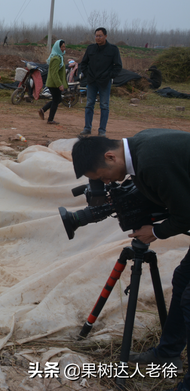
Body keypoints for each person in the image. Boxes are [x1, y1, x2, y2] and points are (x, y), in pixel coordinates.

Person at [71, 129, 190, 391]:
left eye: (103, 177)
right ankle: (168, 353)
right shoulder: (141, 145)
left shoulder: (151, 162)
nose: (106, 182)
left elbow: (185, 214)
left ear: (110, 157)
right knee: (183, 280)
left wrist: (155, 231)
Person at [79, 27, 122, 137]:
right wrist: (88, 74)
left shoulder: (113, 49)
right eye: (96, 36)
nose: (98, 38)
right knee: (89, 105)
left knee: (104, 106)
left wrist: (108, 76)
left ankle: (102, 130)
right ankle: (87, 128)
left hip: (104, 82)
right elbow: (83, 64)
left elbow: (118, 66)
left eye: (100, 36)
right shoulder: (91, 49)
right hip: (92, 81)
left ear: (105, 36)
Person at [38, 40, 68, 125]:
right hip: (54, 84)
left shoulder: (59, 57)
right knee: (56, 100)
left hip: (54, 83)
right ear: (57, 48)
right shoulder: (56, 59)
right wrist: (59, 84)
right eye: (62, 47)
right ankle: (50, 119)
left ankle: (43, 110)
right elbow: (54, 73)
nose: (63, 48)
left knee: (58, 99)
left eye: (64, 47)